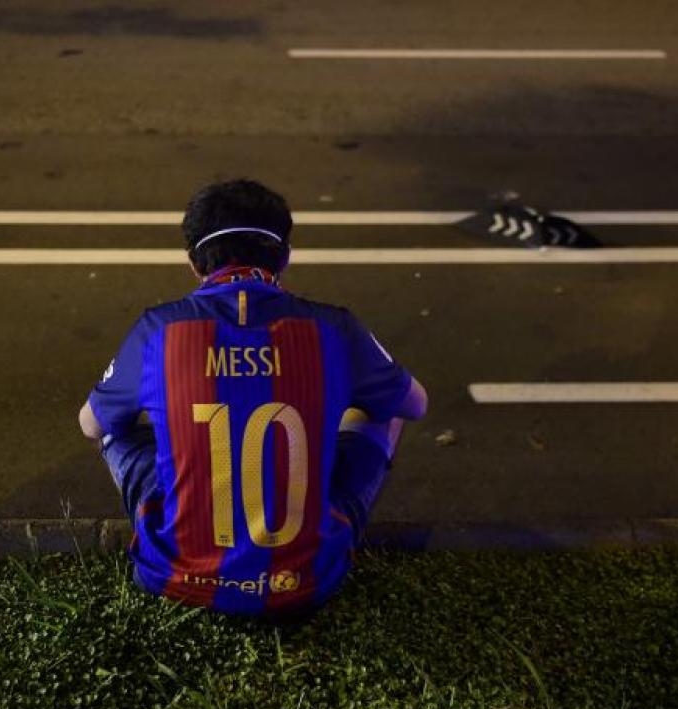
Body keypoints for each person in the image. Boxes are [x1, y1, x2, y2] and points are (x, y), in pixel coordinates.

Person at [78, 179, 427, 618]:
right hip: (305, 581)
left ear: (193, 263)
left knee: (114, 428)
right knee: (385, 409)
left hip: (176, 577)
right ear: (285, 257)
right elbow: (415, 404)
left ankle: (185, 525)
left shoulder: (159, 330)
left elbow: (89, 423)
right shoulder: (333, 328)